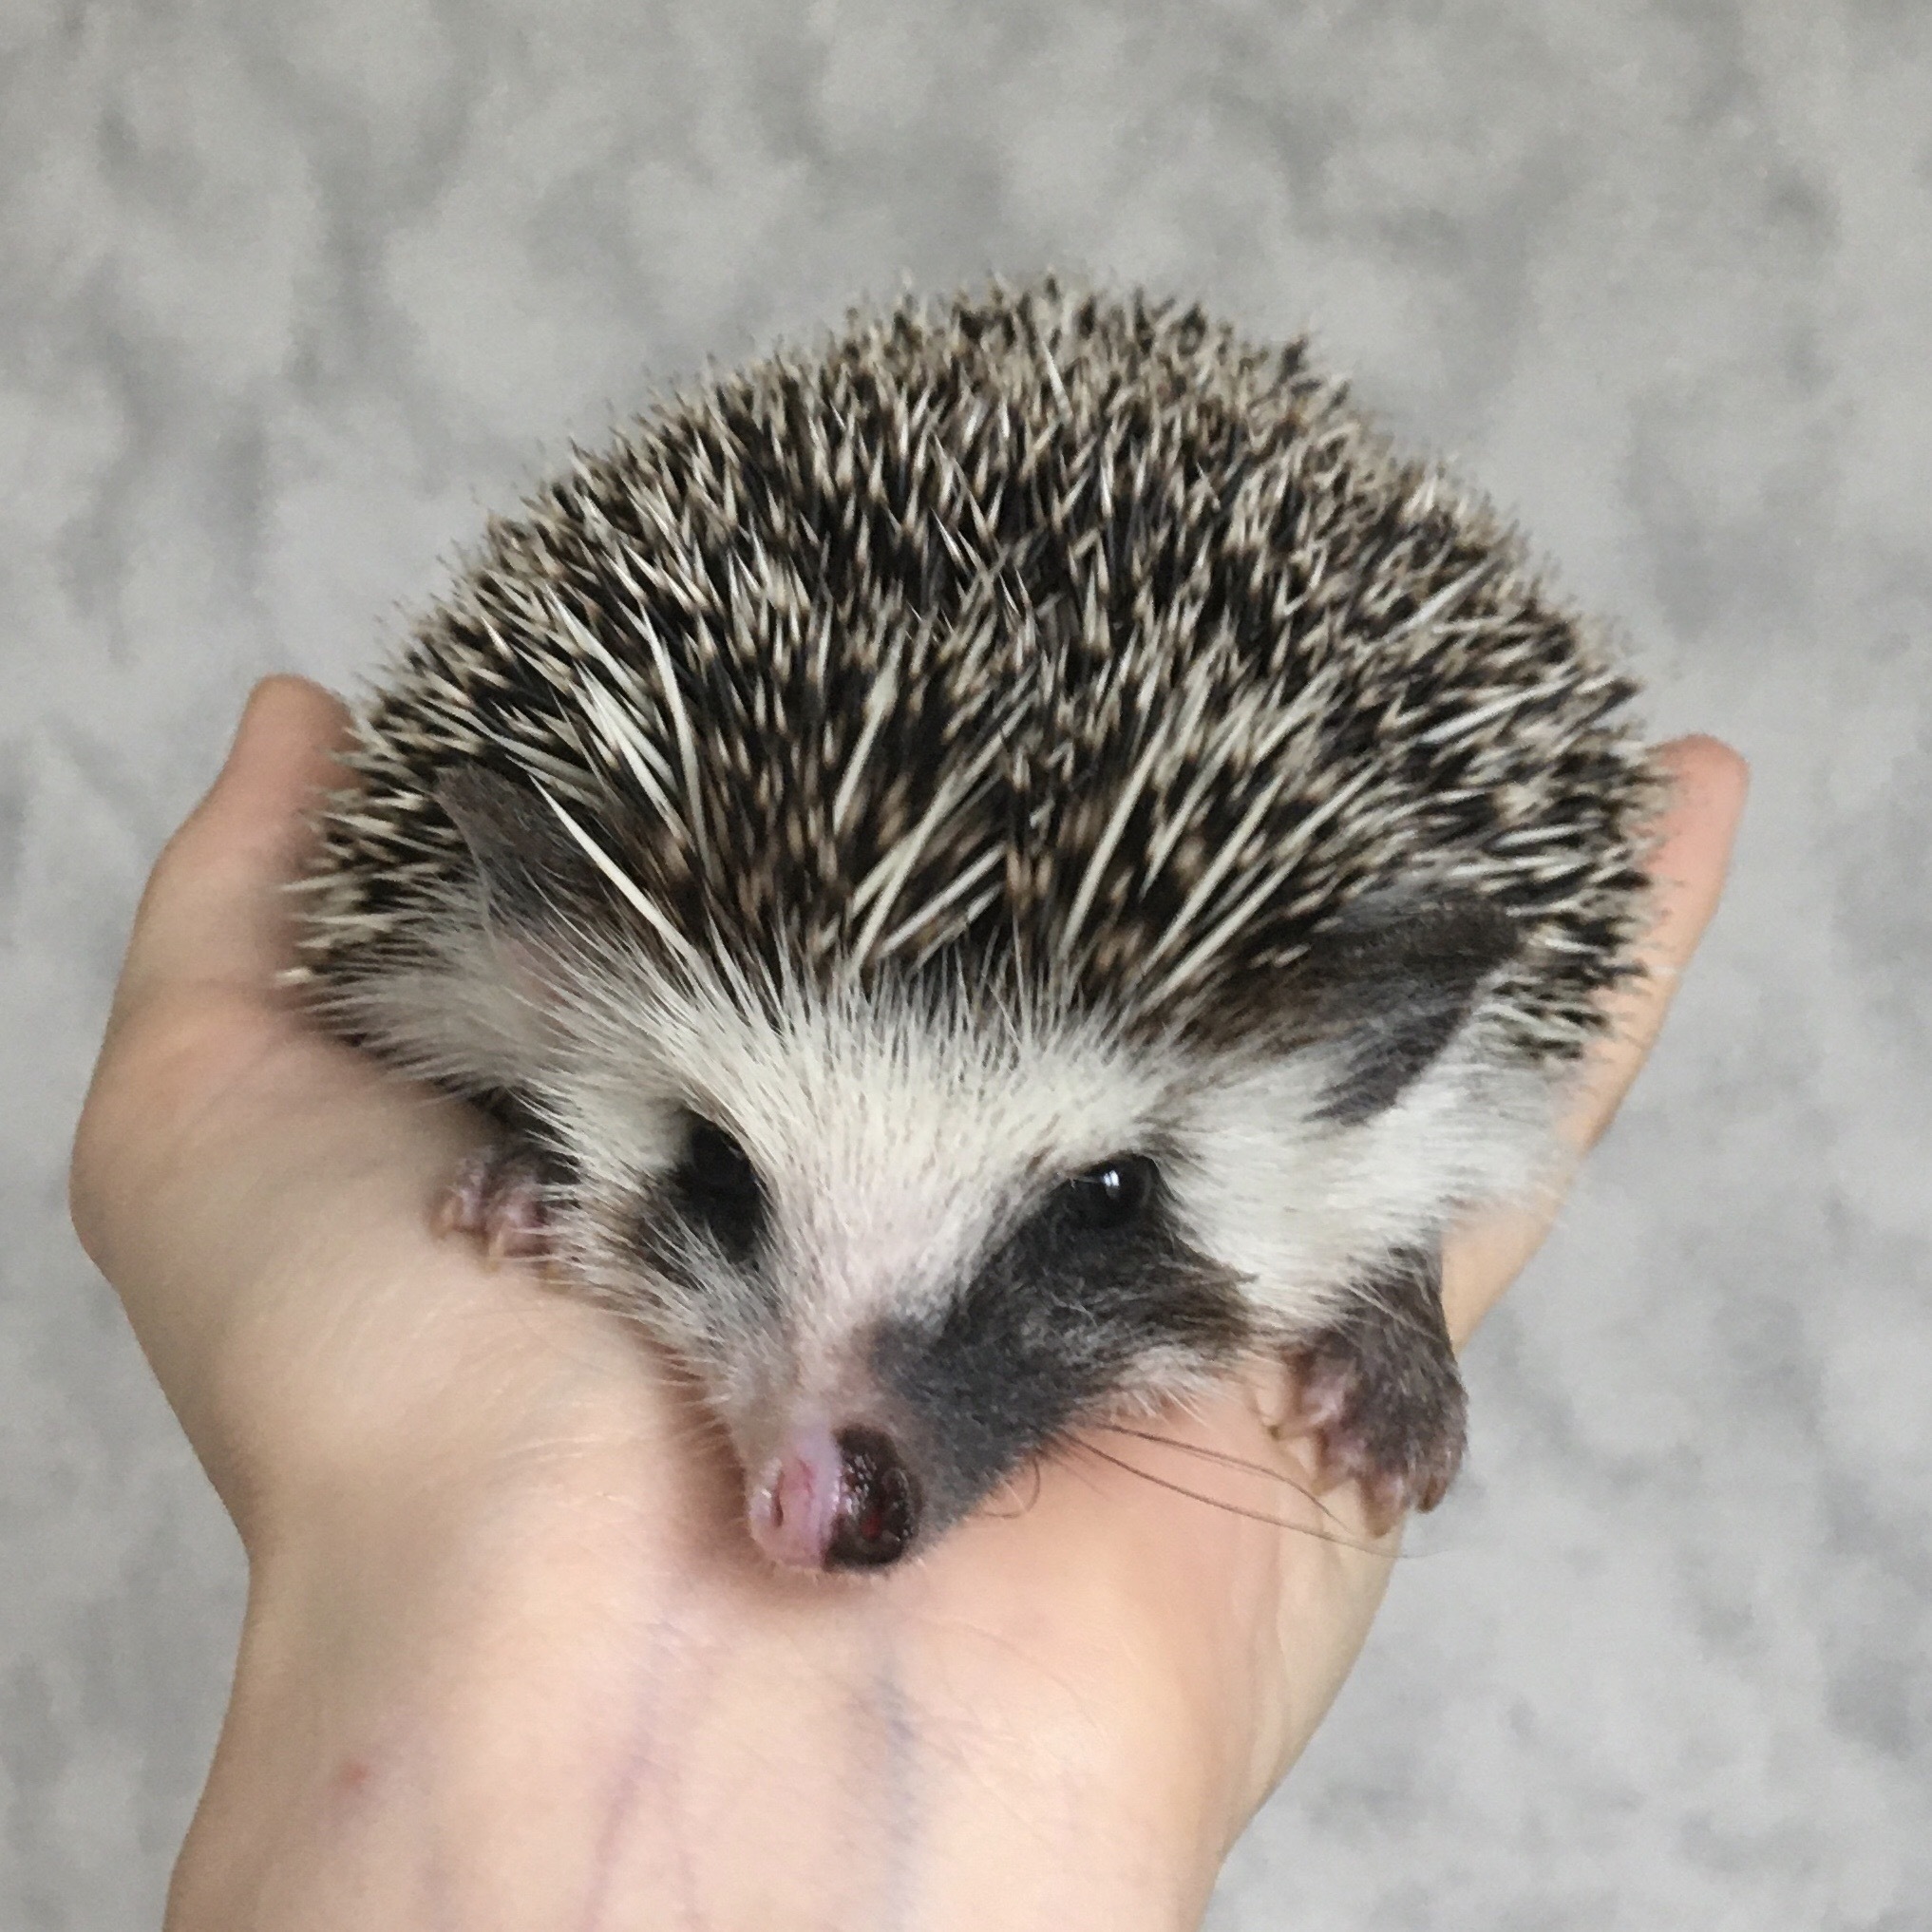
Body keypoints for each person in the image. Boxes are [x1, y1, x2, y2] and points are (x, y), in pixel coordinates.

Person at [70, 676, 1746, 1931]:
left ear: (1368, 1065)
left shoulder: (1377, 1080)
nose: (824, 1435)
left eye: (1093, 1213)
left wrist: (1390, 1303)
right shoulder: (536, 987)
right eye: (722, 1177)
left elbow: (1406, 1195)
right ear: (550, 971)